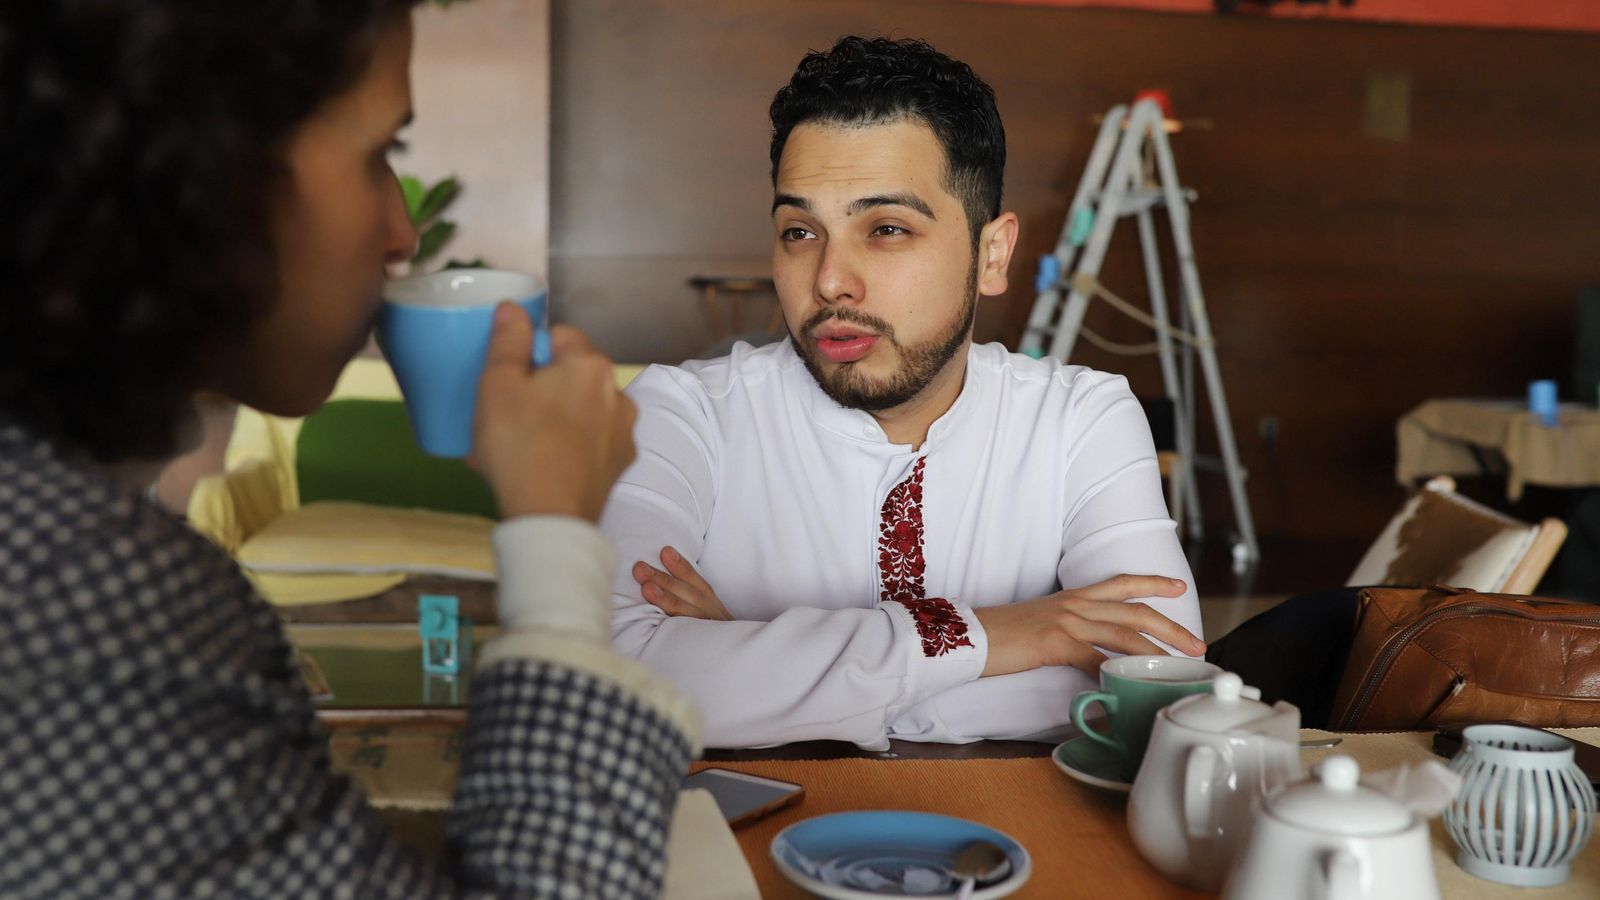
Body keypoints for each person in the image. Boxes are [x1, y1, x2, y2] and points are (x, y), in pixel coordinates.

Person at [0, 3, 697, 897]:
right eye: (380, 155)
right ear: (206, 164)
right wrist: (556, 535)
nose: (404, 234)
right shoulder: (90, 600)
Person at [602, 36, 1205, 750]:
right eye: (800, 231)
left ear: (992, 253)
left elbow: (1160, 680)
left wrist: (750, 662)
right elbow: (606, 686)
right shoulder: (681, 413)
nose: (829, 280)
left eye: (886, 229)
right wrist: (1000, 636)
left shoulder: (1080, 418)